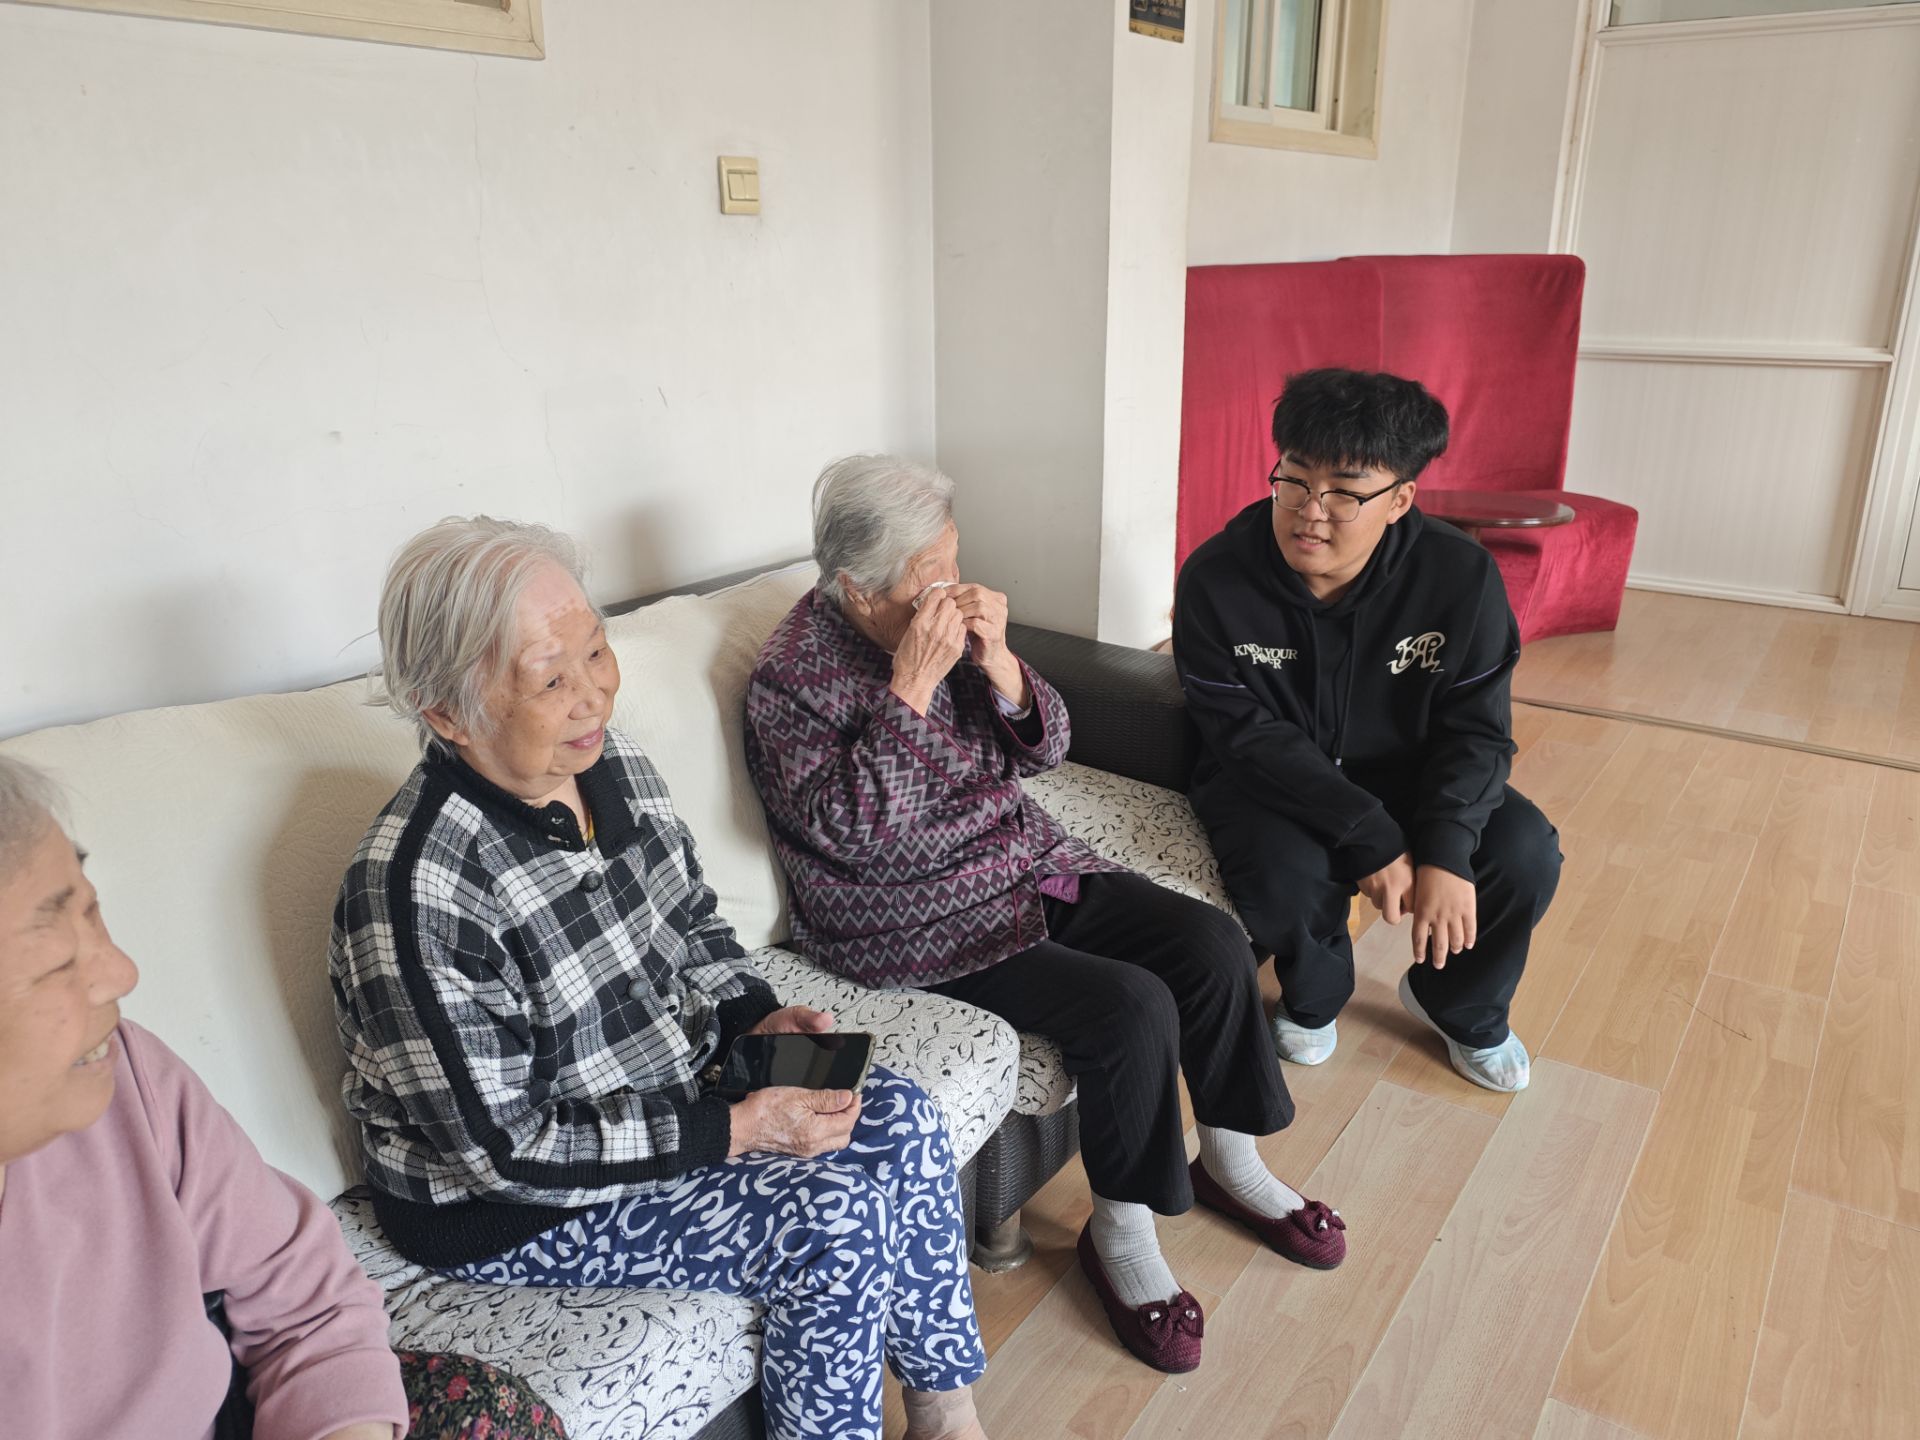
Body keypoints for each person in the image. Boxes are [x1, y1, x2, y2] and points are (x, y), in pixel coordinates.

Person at [329, 517, 990, 1440]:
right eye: (550, 678)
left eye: (596, 651)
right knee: (830, 1219)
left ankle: (947, 1417)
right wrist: (735, 1128)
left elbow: (691, 923)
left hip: (668, 1087)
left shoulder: (608, 763)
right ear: (447, 714)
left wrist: (754, 1022)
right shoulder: (416, 892)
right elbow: (503, 1153)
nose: (593, 694)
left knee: (903, 1119)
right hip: (507, 1205)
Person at [744, 455, 1345, 1379]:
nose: (950, 589)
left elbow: (1048, 748)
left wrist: (1002, 665)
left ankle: (1229, 1158)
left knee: (1212, 943)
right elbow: (849, 834)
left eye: (954, 560)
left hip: (1027, 862)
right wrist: (911, 687)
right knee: (1131, 1007)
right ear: (857, 589)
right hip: (914, 918)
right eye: (927, 577)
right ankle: (1121, 1234)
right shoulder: (790, 680)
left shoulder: (941, 629)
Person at [0, 755, 568, 1440]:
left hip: (237, 1411)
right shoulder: (417, 875)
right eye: (56, 960)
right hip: (487, 1196)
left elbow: (302, 1294)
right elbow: (501, 1147)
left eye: (92, 912)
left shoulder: (126, 1073)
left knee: (489, 1413)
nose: (122, 973)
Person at [1173, 368, 1564, 1093]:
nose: (1310, 512)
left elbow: (1477, 732)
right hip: (1270, 780)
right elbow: (1245, 737)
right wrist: (1369, 836)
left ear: (1400, 499)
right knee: (1283, 873)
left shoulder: (1461, 577)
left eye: (1345, 493)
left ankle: (1461, 1004)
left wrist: (1446, 849)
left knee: (1523, 851)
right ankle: (1313, 997)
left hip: (1408, 772)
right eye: (1294, 481)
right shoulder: (1216, 578)